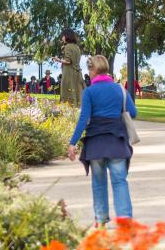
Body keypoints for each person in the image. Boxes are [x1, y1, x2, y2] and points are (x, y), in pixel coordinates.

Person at [68, 54, 137, 227]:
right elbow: (133, 113)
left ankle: (100, 219)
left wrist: (72, 142)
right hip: (117, 142)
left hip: (96, 144)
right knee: (120, 182)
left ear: (92, 70)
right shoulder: (120, 89)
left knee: (98, 184)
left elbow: (84, 118)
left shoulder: (89, 92)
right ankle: (125, 220)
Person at [58, 29, 84, 106]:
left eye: (63, 36)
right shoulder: (77, 47)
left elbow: (68, 61)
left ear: (67, 36)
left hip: (68, 72)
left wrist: (59, 60)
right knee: (76, 91)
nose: (62, 38)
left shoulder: (67, 47)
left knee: (67, 91)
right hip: (77, 72)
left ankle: (68, 108)